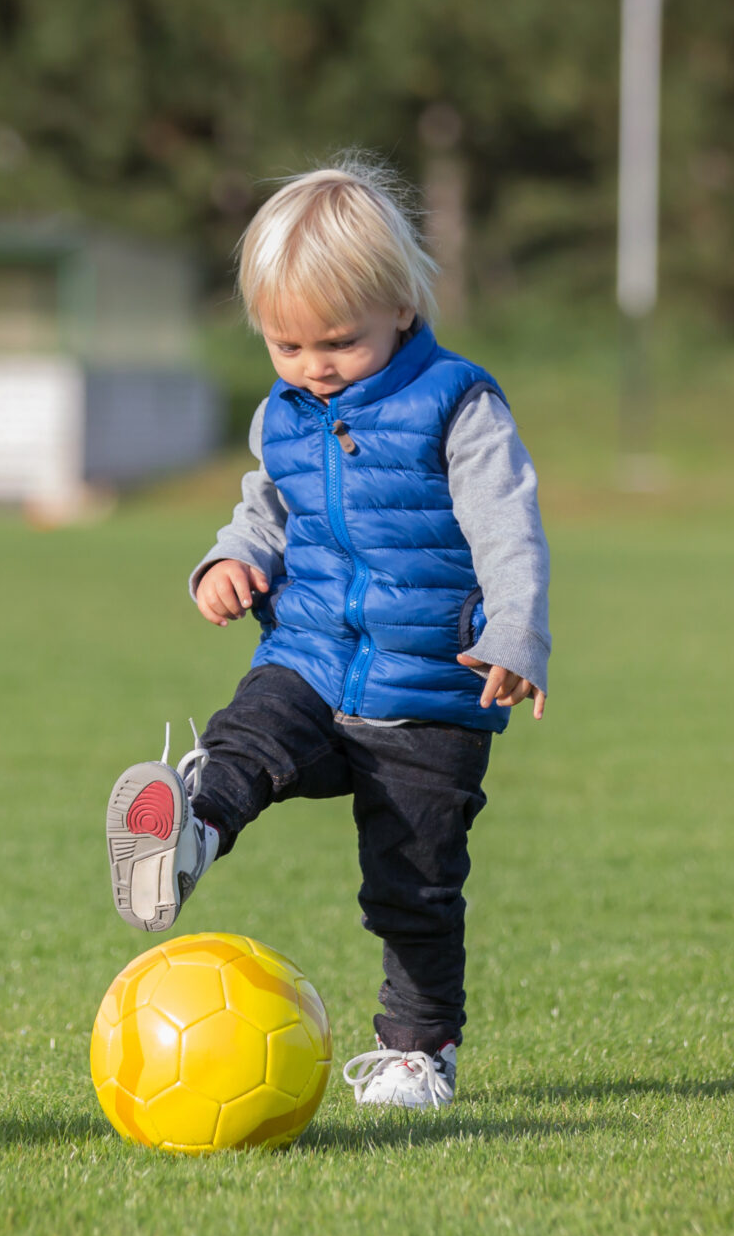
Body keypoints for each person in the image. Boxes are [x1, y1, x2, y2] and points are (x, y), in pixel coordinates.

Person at [101, 157, 550, 1111]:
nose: (314, 366)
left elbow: (508, 523)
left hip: (430, 688)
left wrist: (516, 632)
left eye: (338, 342)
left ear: (400, 304)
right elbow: (263, 510)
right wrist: (228, 562)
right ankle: (192, 829)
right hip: (307, 655)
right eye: (286, 344)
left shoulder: (457, 404)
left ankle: (417, 1054)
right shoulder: (285, 414)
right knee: (246, 739)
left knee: (414, 881)